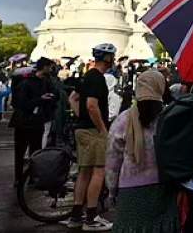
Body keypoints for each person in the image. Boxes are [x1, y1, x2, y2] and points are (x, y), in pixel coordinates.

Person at [105, 69, 178, 233]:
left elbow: (112, 160)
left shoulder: (123, 120)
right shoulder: (169, 118)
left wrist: (111, 190)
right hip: (163, 188)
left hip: (130, 191)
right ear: (161, 88)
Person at [64, 43, 117, 231]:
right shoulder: (97, 79)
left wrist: (81, 117)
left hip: (82, 129)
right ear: (108, 58)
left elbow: (73, 99)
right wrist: (102, 128)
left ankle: (76, 215)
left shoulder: (87, 77)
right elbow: (92, 105)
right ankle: (92, 217)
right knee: (98, 171)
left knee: (84, 172)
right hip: (93, 132)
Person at [10, 57, 57, 185]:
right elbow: (22, 103)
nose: (51, 69)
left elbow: (54, 96)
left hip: (37, 121)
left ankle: (32, 176)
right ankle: (19, 177)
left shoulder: (47, 82)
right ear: (44, 67)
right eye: (49, 66)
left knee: (35, 151)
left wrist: (50, 98)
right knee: (20, 151)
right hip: (24, 122)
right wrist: (41, 99)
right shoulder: (26, 83)